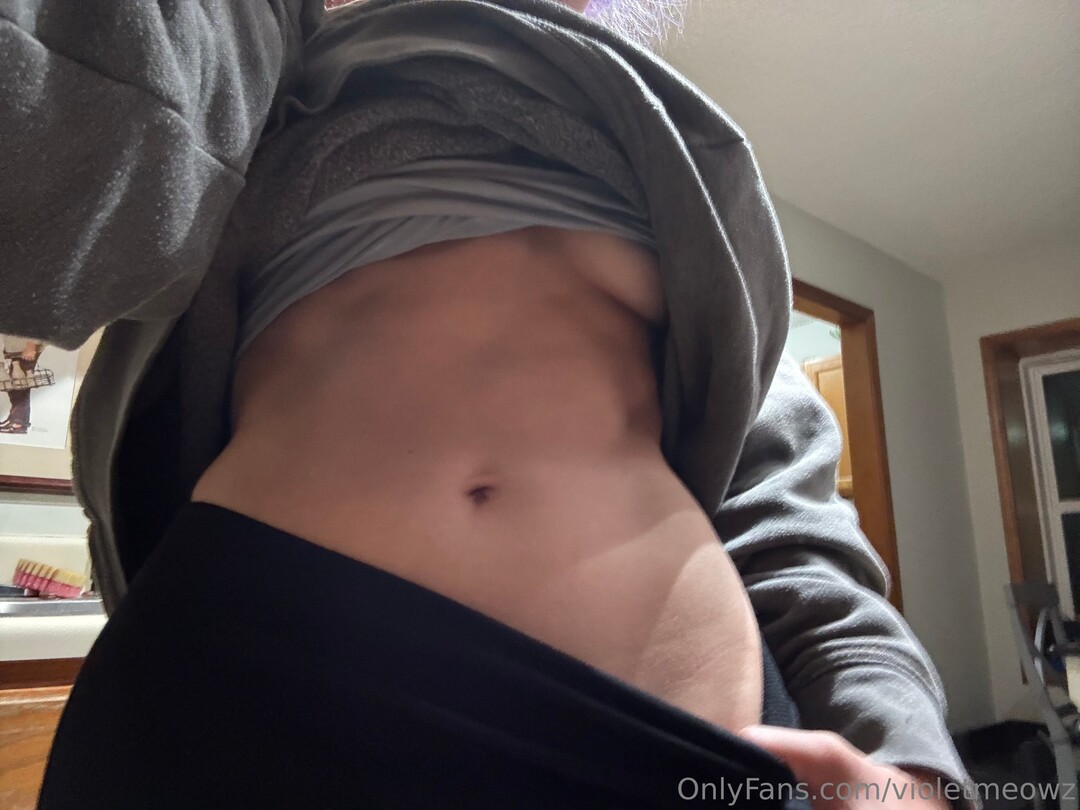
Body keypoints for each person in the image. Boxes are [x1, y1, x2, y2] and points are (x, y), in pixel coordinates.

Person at [0, 0, 972, 806]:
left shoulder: (678, 184)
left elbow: (794, 531)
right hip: (247, 689)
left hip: (651, 736)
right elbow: (50, 175)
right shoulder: (269, 70)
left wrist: (912, 767)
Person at [0, 336, 45, 434]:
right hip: (17, 350)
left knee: (20, 388)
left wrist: (31, 345)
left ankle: (17, 423)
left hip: (24, 349)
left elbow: (37, 326)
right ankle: (16, 420)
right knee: (17, 388)